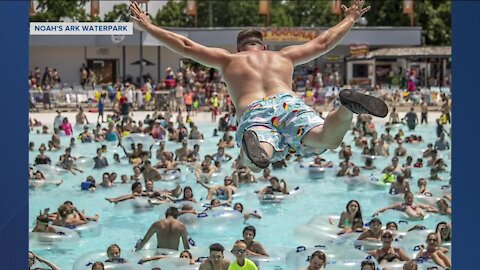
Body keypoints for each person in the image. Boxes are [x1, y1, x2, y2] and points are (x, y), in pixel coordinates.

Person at [130, 1, 387, 173]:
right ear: (263, 46)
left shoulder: (228, 59)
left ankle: (256, 147)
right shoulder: (283, 56)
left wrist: (148, 26)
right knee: (325, 139)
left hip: (254, 109)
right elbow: (323, 43)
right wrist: (350, 18)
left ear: (240, 48)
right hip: (288, 103)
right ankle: (345, 108)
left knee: (253, 164)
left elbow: (185, 46)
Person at [372, 192, 438, 220]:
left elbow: (427, 206)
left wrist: (433, 209)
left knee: (418, 207)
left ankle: (420, 214)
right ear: (405, 198)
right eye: (408, 198)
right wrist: (378, 211)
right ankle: (416, 215)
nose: (410, 199)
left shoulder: (416, 204)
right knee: (407, 207)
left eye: (411, 198)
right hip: (411, 215)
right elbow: (388, 208)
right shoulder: (401, 205)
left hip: (419, 214)